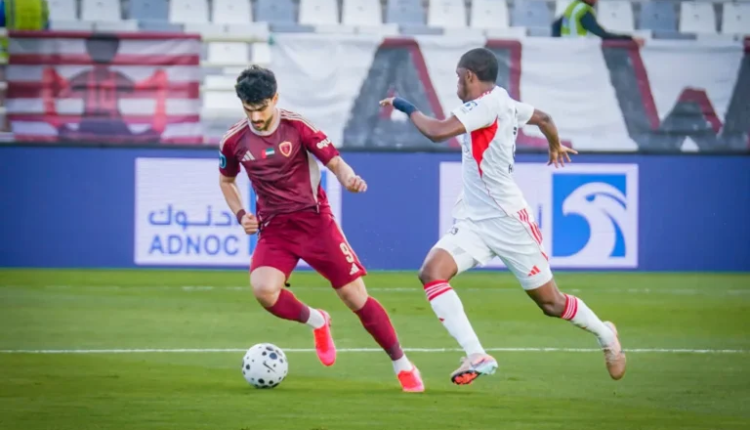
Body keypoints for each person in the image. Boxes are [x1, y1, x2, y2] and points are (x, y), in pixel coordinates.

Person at [380, 48, 626, 385]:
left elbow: (436, 132)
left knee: (551, 304)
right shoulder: (503, 100)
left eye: (458, 77)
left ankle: (607, 336)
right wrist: (554, 144)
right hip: (474, 221)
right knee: (432, 273)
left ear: (469, 76)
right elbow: (544, 118)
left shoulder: (486, 105)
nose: (456, 84)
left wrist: (405, 105)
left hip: (509, 222)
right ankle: (476, 354)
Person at [219, 65, 424, 393]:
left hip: (315, 223)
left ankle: (402, 364)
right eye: (248, 109)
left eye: (261, 108)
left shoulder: (298, 127)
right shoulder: (233, 141)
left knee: (354, 297)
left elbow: (335, 162)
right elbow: (227, 181)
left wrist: (349, 179)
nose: (256, 117)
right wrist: (241, 213)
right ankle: (318, 320)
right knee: (263, 290)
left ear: (275, 98)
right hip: (275, 229)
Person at [552, 0, 645, 46]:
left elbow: (555, 25)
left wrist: (557, 45)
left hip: (568, 48)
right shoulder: (583, 11)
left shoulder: (573, 6)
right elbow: (601, 34)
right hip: (579, 50)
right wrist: (629, 39)